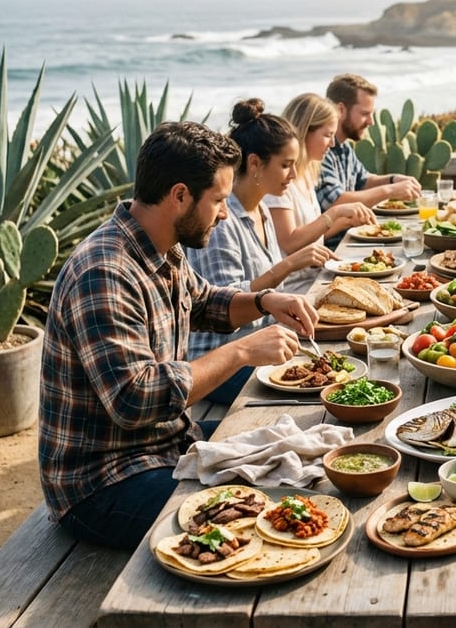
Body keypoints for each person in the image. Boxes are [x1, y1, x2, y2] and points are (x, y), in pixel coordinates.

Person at [39, 121, 320, 550]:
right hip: (103, 483)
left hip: (167, 443)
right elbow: (135, 400)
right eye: (219, 200)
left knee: (291, 453)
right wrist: (243, 351)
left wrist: (265, 301)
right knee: (263, 518)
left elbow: (205, 301)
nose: (225, 213)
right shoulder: (104, 273)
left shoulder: (162, 245)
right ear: (180, 196)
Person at [186, 99, 337, 404]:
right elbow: (226, 305)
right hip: (222, 362)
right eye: (285, 164)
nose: (293, 175)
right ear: (254, 163)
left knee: (335, 372)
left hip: (263, 347)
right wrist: (287, 265)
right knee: (319, 395)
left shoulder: (262, 211)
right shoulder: (221, 223)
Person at [265, 93, 375, 292]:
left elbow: (311, 233)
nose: (332, 143)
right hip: (294, 289)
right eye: (327, 135)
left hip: (317, 276)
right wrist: (335, 213)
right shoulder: (279, 182)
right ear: (304, 131)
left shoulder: (308, 172)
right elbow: (290, 243)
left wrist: (347, 220)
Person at [319, 74, 422, 248]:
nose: (371, 122)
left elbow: (363, 180)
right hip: (333, 249)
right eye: (365, 114)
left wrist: (393, 179)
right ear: (341, 110)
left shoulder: (344, 147)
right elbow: (337, 202)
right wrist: (390, 190)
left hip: (354, 239)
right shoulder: (321, 151)